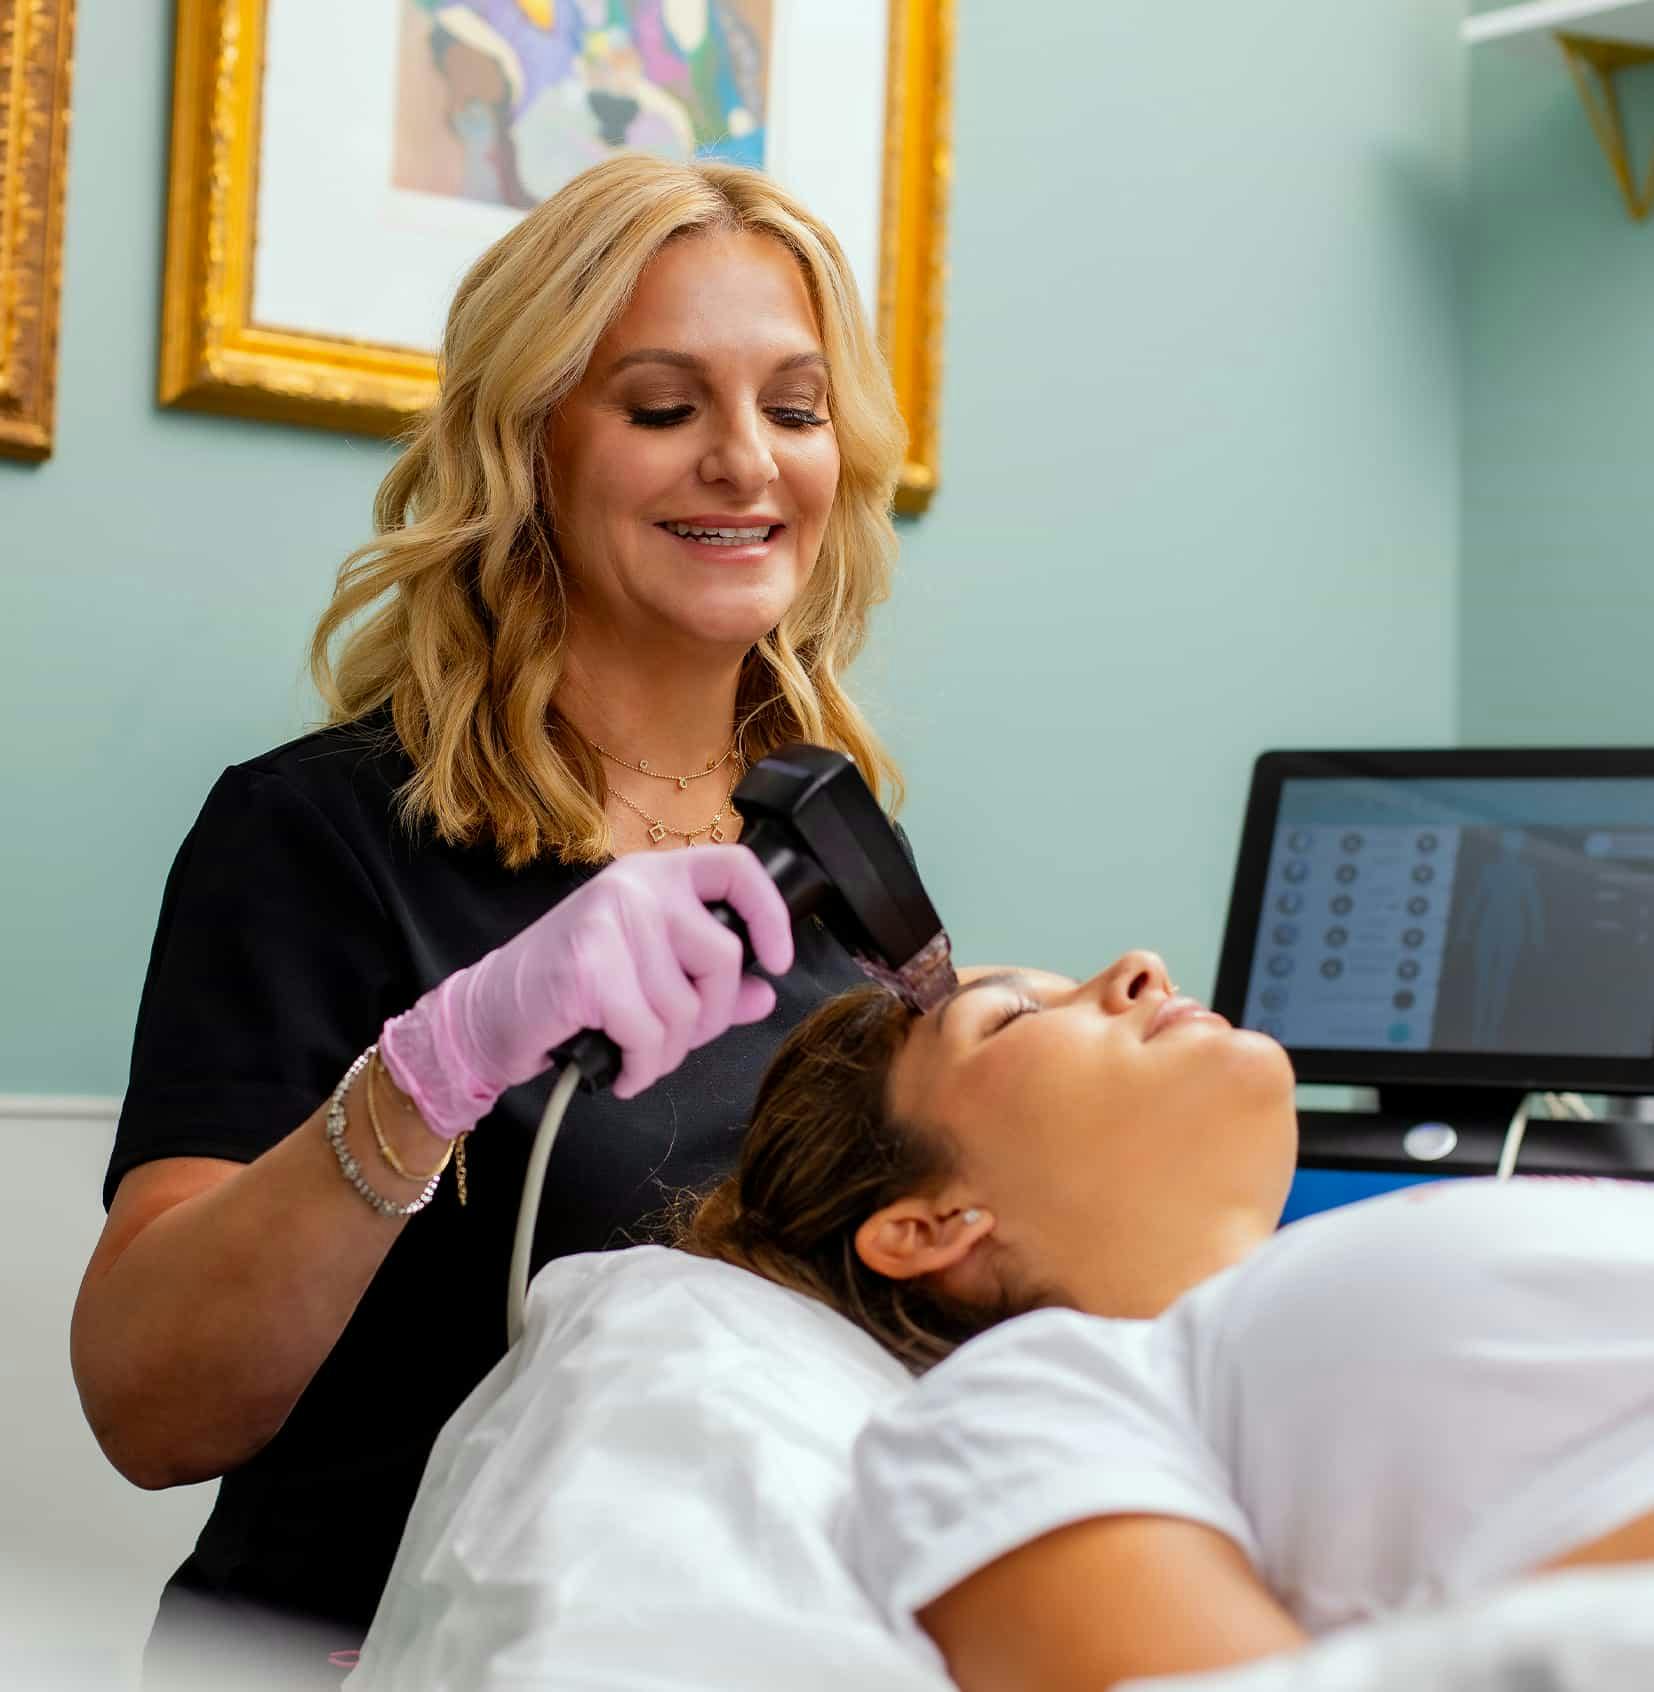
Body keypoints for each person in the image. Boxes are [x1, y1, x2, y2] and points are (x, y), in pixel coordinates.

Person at [69, 152, 911, 1684]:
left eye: (794, 409)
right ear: (527, 448)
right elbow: (151, 1409)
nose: (745, 461)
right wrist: (430, 1072)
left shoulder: (829, 838)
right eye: (663, 409)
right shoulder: (318, 836)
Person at [674, 951, 1654, 1691]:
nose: (1139, 965)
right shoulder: (1032, 1399)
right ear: (932, 1224)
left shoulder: (1345, 1263)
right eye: (1013, 1016)